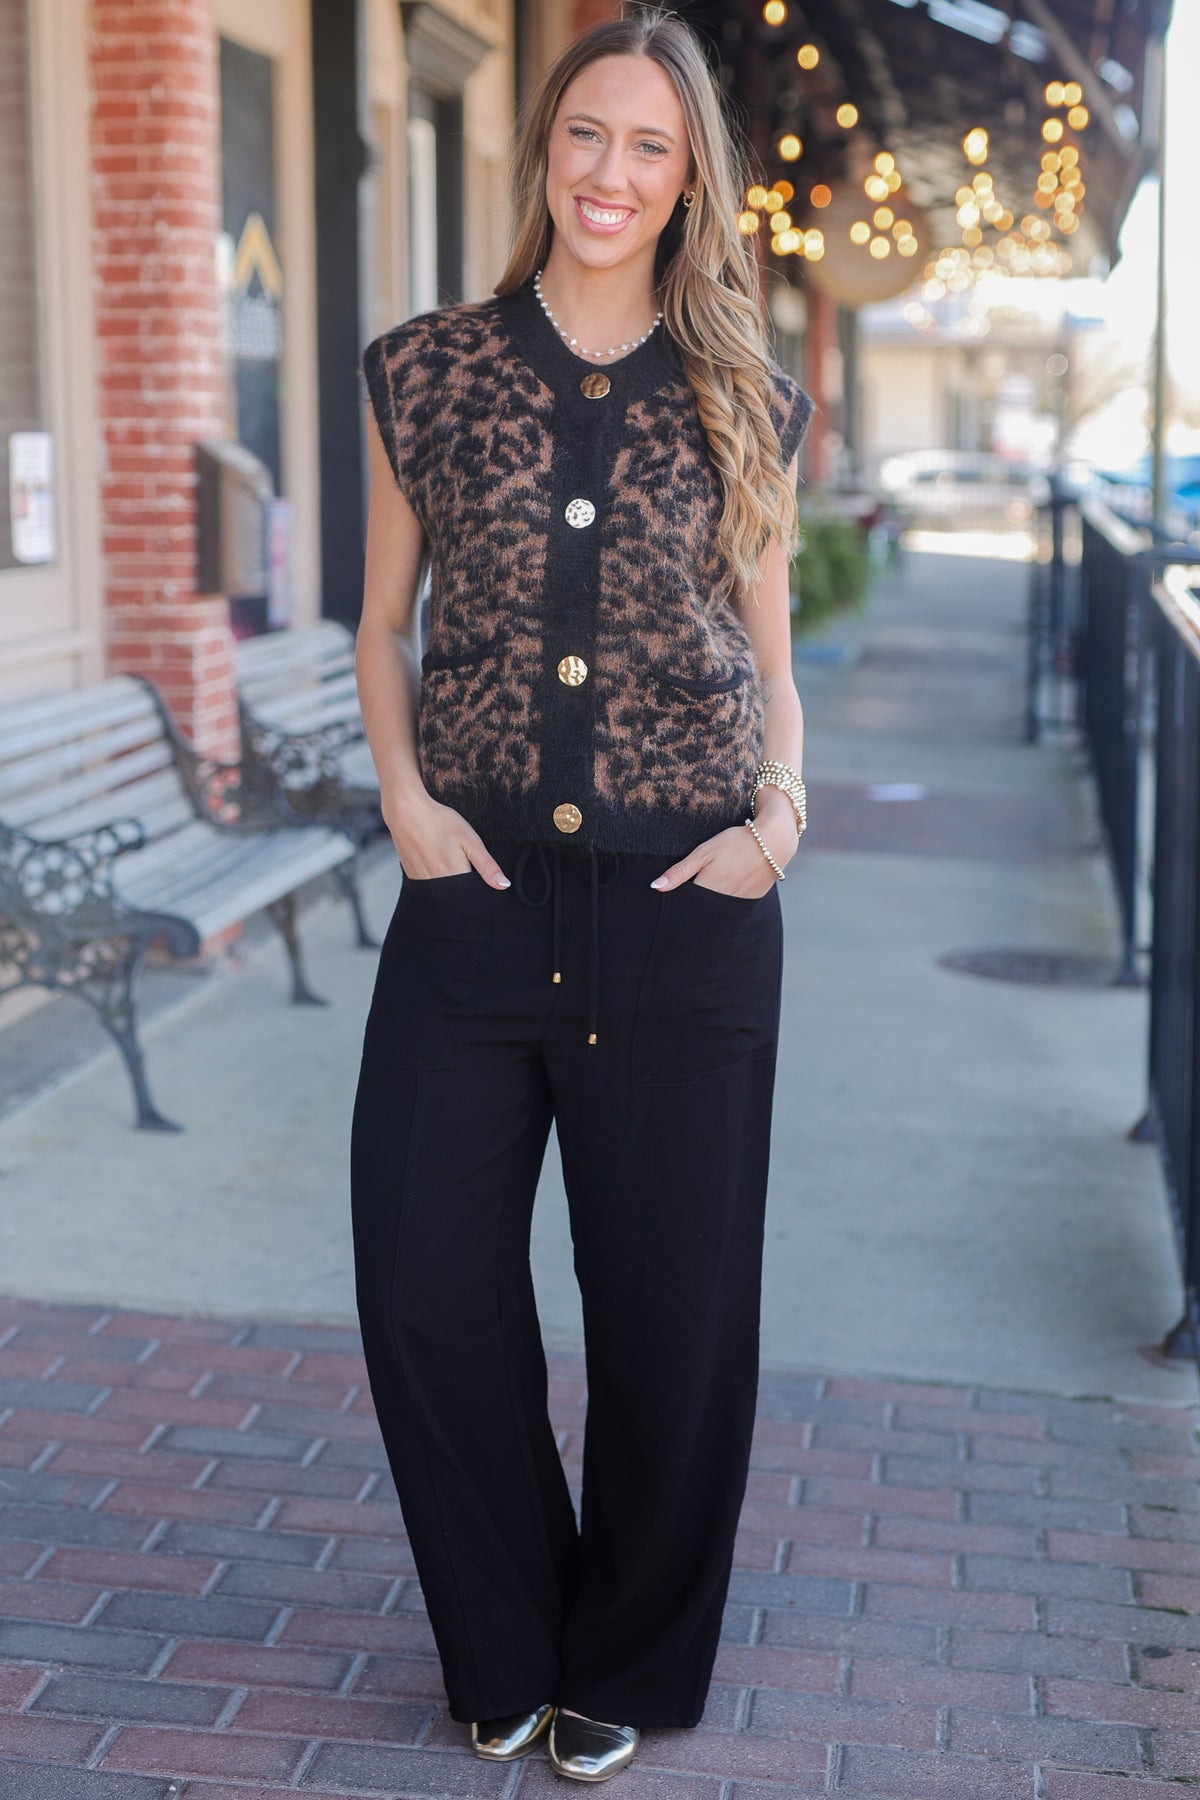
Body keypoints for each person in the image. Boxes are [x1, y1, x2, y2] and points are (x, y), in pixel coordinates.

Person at [350, 5, 812, 1783]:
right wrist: (401, 798)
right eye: (588, 136)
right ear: (540, 149)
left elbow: (775, 666)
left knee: (671, 1307)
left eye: (653, 147)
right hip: (471, 894)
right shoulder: (428, 368)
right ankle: (503, 1630)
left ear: (689, 178)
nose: (613, 174)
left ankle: (621, 1651)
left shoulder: (745, 390)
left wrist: (781, 826)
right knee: (419, 1277)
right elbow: (380, 627)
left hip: (689, 900)